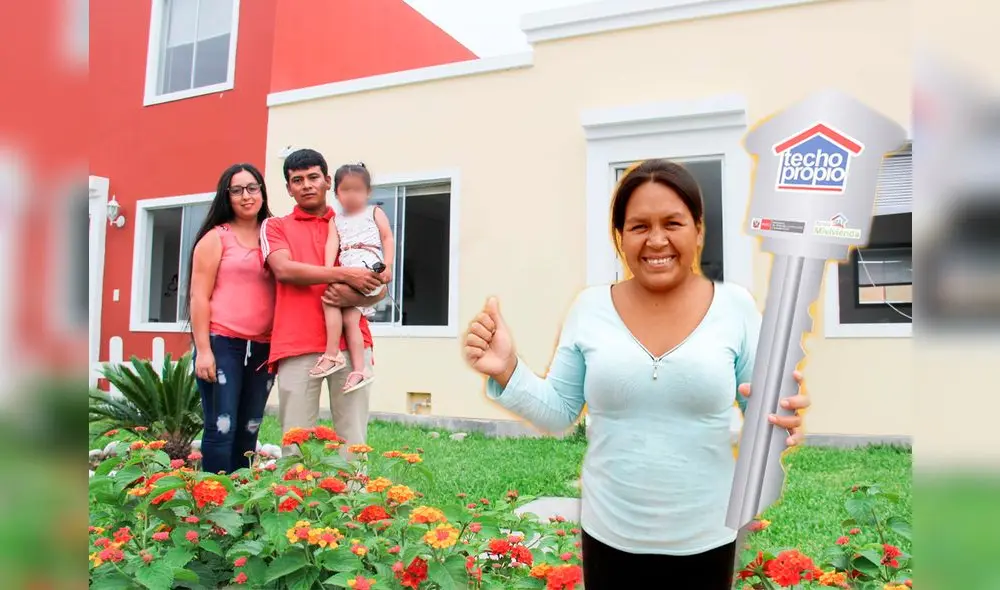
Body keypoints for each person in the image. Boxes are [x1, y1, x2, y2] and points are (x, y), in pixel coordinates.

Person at [463, 159, 812, 589]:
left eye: (673, 223)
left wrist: (781, 423)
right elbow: (559, 411)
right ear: (619, 237)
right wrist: (508, 369)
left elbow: (764, 406)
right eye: (639, 226)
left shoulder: (735, 308)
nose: (657, 239)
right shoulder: (589, 309)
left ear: (699, 230)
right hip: (610, 535)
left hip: (707, 536)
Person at [260, 148, 385, 457]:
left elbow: (379, 286)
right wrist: (346, 274)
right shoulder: (275, 227)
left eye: (313, 177)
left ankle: (354, 505)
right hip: (296, 344)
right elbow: (284, 270)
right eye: (297, 180)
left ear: (328, 181)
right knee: (296, 442)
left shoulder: (353, 222)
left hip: (351, 344)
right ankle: (296, 506)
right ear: (288, 188)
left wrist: (353, 293)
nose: (306, 185)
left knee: (353, 442)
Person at [189, 163, 275, 475]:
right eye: (237, 190)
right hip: (221, 343)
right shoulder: (216, 238)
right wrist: (204, 351)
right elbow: (199, 297)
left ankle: (239, 504)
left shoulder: (273, 236)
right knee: (221, 427)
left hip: (264, 347)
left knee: (250, 428)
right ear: (227, 196)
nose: (246, 196)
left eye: (252, 188)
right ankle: (212, 505)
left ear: (262, 193)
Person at [309, 162, 395, 393]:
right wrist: (328, 271)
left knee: (330, 301)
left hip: (370, 272)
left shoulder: (374, 212)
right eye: (345, 189)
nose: (351, 194)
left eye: (357, 189)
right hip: (348, 275)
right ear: (336, 192)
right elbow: (332, 244)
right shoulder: (335, 220)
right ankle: (360, 369)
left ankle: (332, 353)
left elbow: (387, 238)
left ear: (367, 192)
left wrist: (388, 266)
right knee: (350, 320)